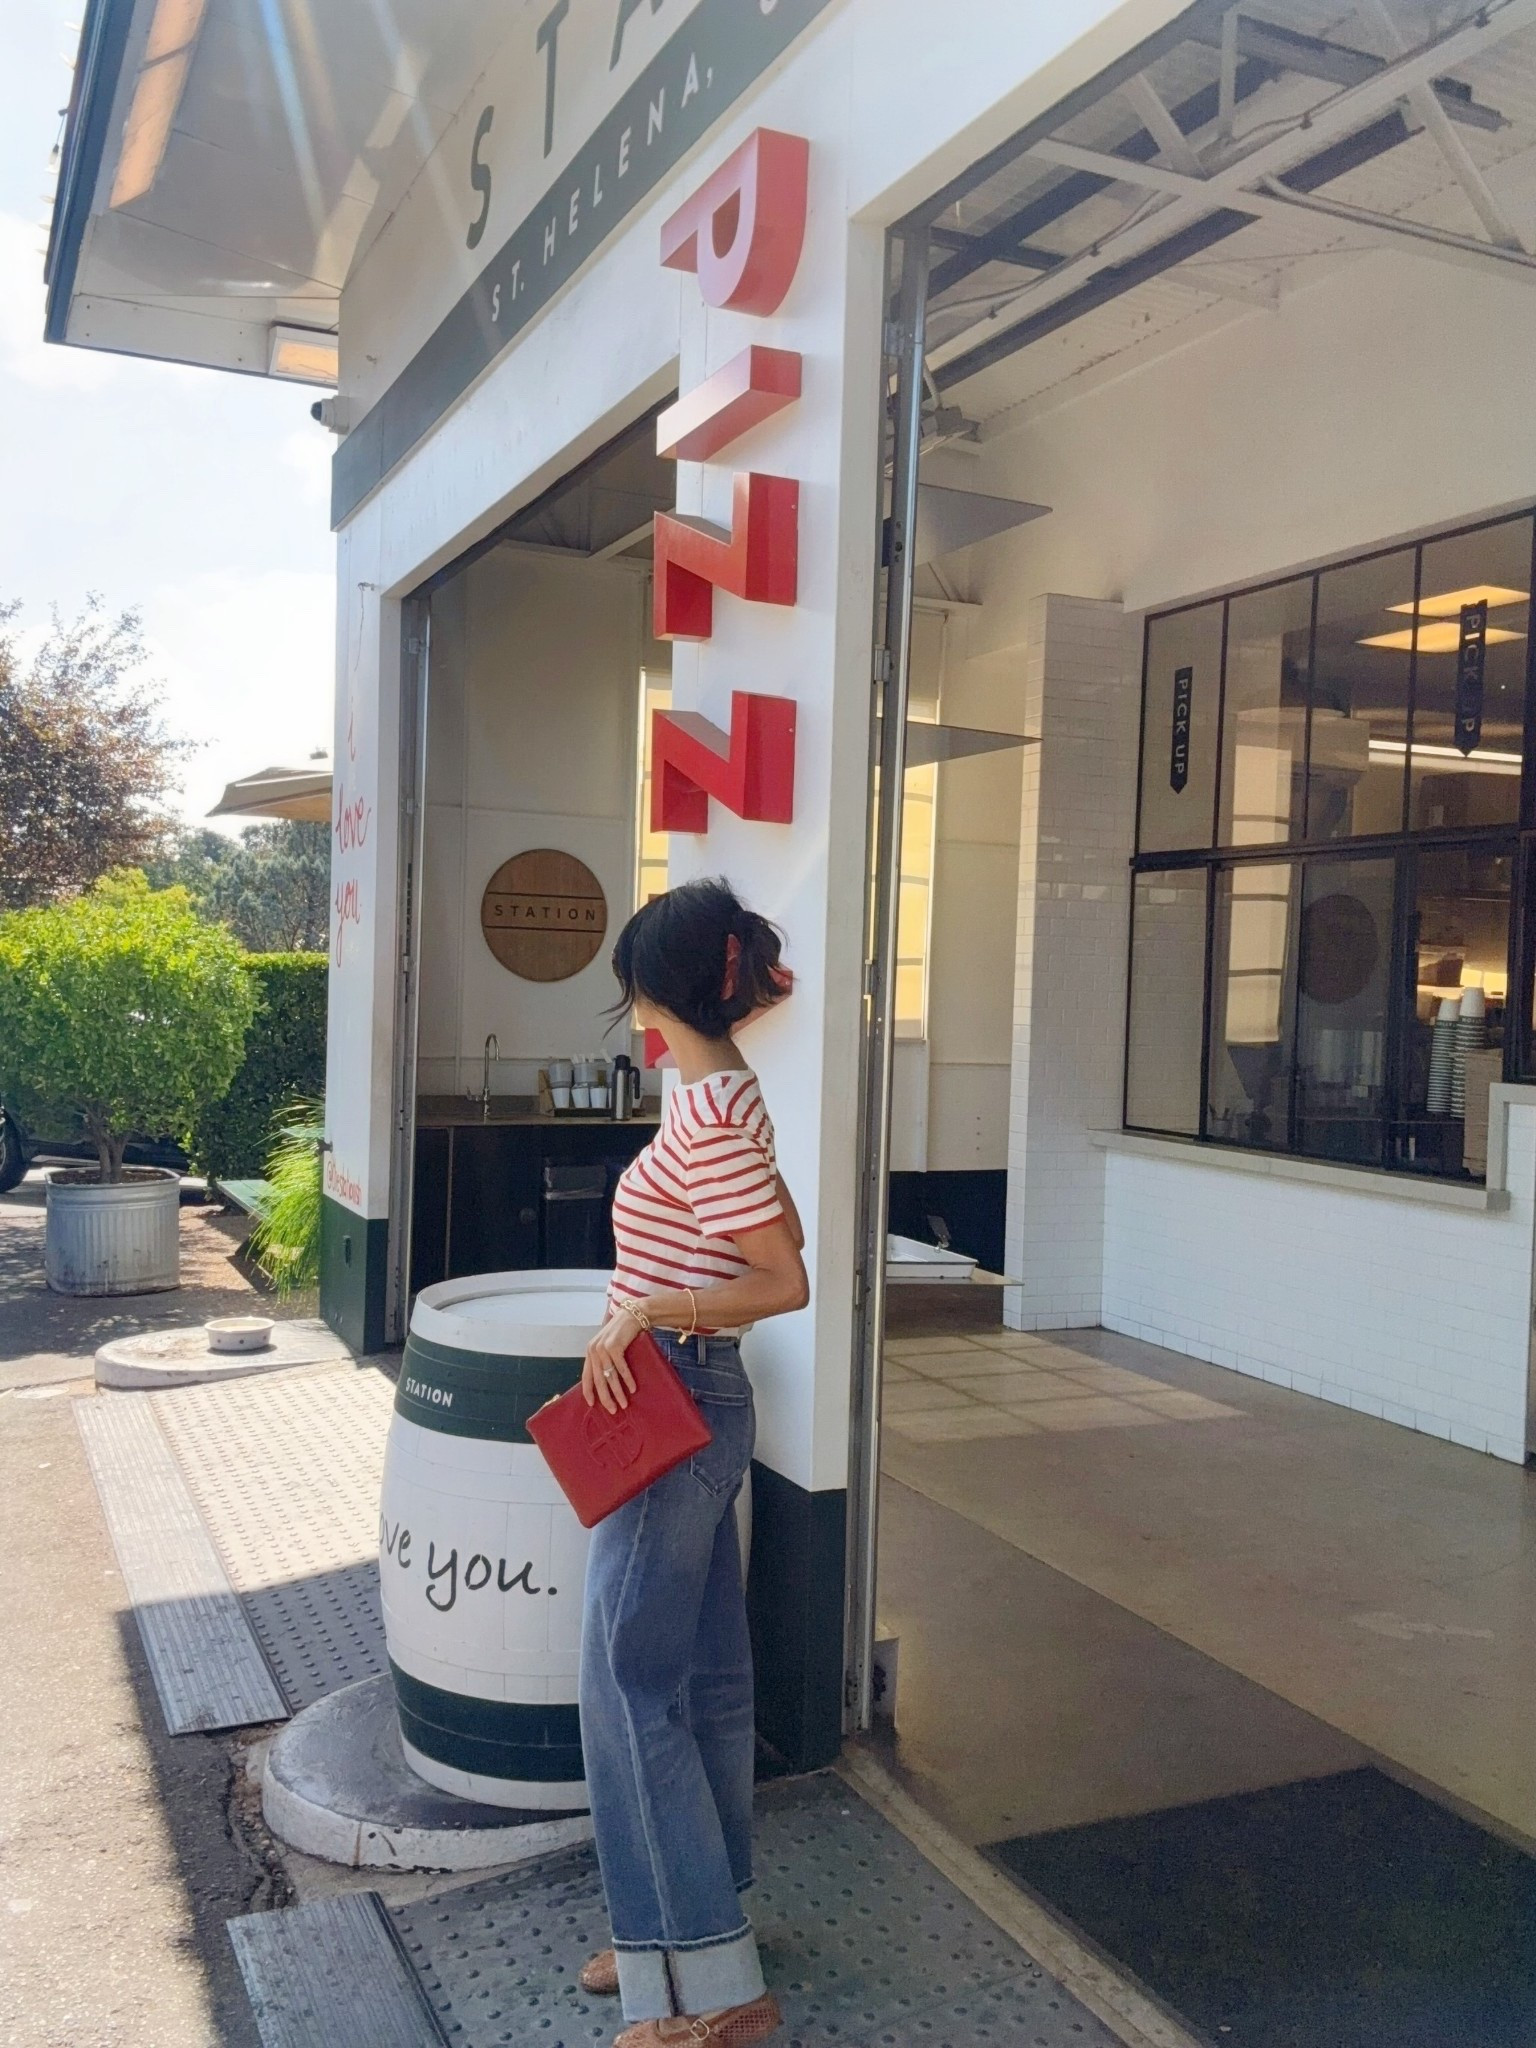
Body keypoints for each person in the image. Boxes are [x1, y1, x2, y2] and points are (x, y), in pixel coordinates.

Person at [576, 877, 806, 2048]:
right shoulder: (721, 1089)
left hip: (673, 1397)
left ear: (655, 993)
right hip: (693, 1398)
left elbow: (785, 1276)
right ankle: (688, 1924)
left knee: (627, 1684)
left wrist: (644, 1308)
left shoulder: (711, 1111)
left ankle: (709, 1987)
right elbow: (784, 1232)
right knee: (705, 1672)